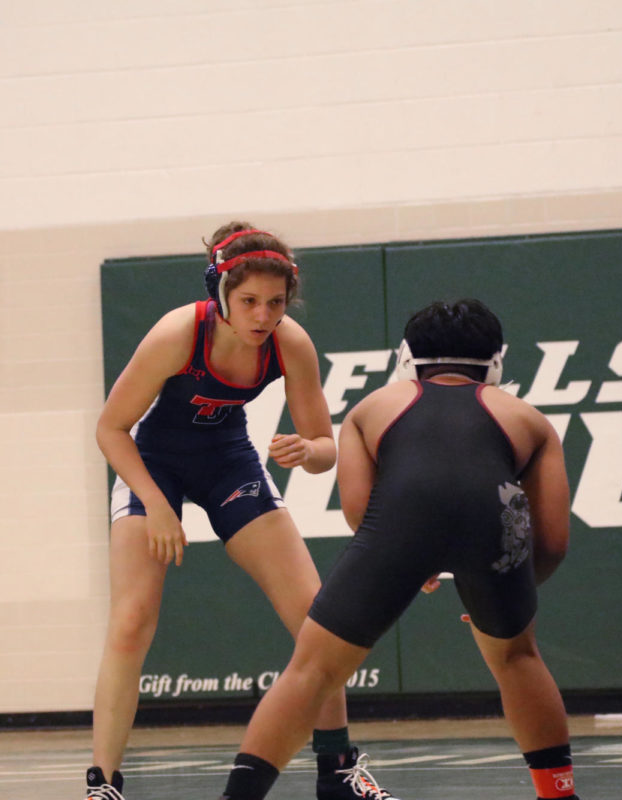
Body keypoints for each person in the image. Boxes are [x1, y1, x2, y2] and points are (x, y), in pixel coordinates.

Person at [217, 299, 580, 800]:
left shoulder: (374, 407)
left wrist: (410, 562)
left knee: (314, 668)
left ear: (407, 358)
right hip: (492, 531)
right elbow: (554, 540)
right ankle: (559, 794)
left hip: (398, 527)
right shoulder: (528, 418)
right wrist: (506, 588)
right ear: (497, 361)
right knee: (518, 658)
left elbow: (361, 513)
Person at [87, 223, 397, 800]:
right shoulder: (178, 333)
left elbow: (326, 448)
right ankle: (103, 783)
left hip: (227, 461)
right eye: (250, 301)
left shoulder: (290, 342)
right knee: (131, 622)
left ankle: (338, 771)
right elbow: (110, 428)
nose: (262, 317)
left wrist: (308, 452)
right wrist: (155, 505)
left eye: (276, 303)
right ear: (220, 290)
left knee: (318, 620)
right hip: (152, 462)